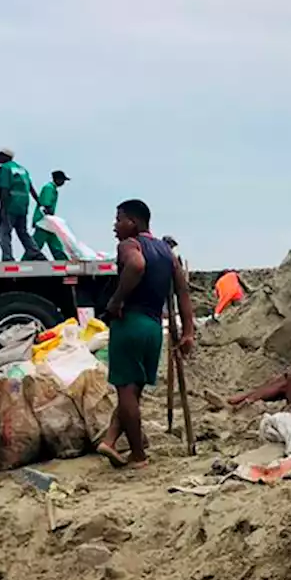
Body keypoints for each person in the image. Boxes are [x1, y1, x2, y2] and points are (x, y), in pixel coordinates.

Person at [97, 199, 195, 469]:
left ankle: (138, 454)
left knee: (126, 391)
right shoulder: (167, 252)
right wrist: (188, 331)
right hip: (154, 328)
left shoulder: (130, 245)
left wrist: (116, 301)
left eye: (118, 220)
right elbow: (182, 292)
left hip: (130, 322)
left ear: (134, 222)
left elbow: (137, 265)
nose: (114, 226)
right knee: (134, 389)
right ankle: (111, 440)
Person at [0, 148, 43, 262]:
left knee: (4, 232)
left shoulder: (5, 168)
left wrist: (2, 208)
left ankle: (7, 257)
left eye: (0, 155)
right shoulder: (23, 170)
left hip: (10, 204)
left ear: (7, 157)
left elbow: (4, 189)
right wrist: (39, 202)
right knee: (22, 231)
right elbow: (31, 188)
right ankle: (34, 252)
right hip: (23, 205)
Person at [32, 170, 71, 261]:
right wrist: (51, 220)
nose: (63, 182)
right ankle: (24, 262)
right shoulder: (49, 188)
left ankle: (63, 261)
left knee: (55, 244)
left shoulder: (52, 189)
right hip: (44, 222)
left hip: (48, 223)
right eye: (63, 180)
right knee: (35, 246)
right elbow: (46, 205)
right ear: (58, 179)